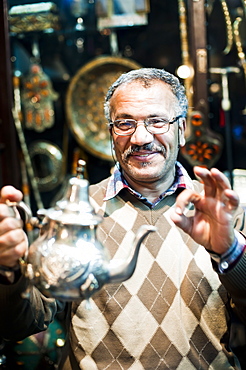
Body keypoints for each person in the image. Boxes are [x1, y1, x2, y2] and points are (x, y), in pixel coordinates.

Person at [0, 68, 246, 370]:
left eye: (157, 121)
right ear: (111, 133)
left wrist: (231, 254)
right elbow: (22, 323)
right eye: (125, 123)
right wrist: (9, 272)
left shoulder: (222, 210)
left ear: (181, 130)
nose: (140, 138)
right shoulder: (77, 210)